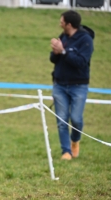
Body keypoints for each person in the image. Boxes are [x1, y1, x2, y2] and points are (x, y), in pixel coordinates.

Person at [50, 10, 94, 160]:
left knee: (76, 119)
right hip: (59, 85)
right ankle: (66, 151)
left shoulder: (86, 40)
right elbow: (53, 60)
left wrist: (63, 52)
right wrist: (55, 52)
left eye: (62, 21)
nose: (60, 23)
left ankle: (75, 141)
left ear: (69, 24)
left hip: (79, 86)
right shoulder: (63, 36)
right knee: (62, 120)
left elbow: (81, 63)